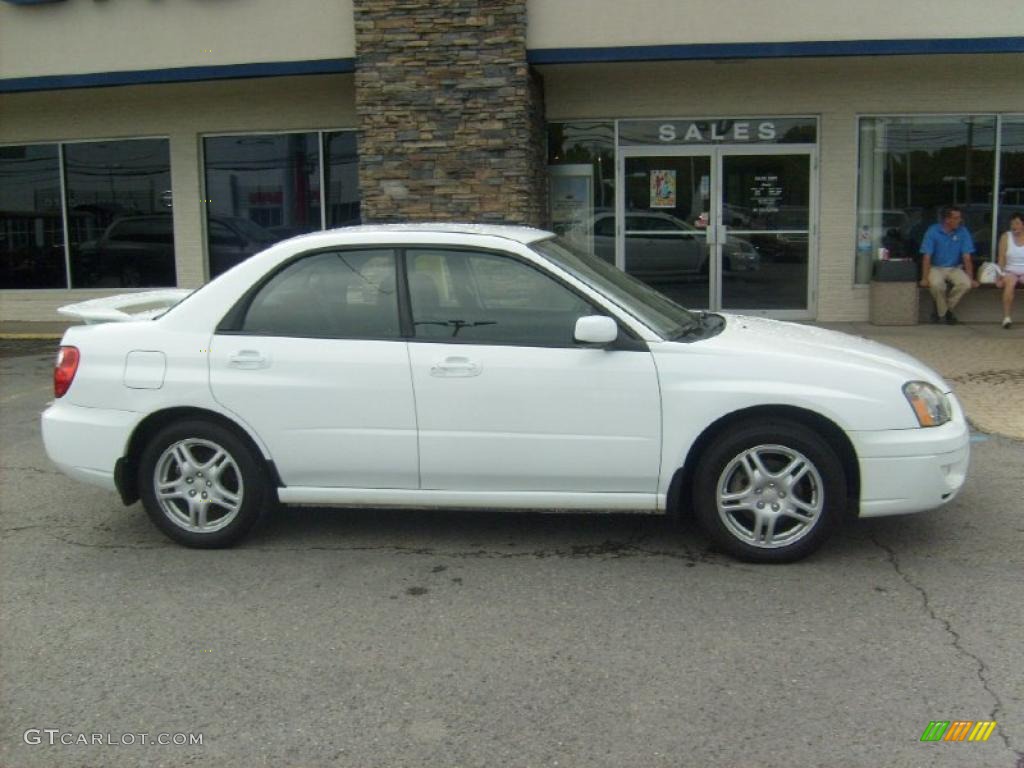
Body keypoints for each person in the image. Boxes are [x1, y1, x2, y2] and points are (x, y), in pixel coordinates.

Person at [919, 205, 979, 325]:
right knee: (937, 285)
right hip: (936, 267)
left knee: (965, 284)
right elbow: (927, 257)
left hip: (955, 267)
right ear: (947, 220)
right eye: (956, 218)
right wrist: (925, 278)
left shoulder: (963, 231)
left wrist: (971, 278)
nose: (959, 220)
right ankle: (947, 314)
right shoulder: (933, 231)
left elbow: (967, 257)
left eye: (959, 218)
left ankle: (941, 310)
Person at [995, 212, 1024, 329]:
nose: (1014, 226)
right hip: (1010, 270)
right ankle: (1007, 318)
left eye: (1017, 223)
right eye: (1012, 224)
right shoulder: (1005, 237)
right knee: (1010, 284)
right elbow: (1001, 258)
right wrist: (1000, 276)